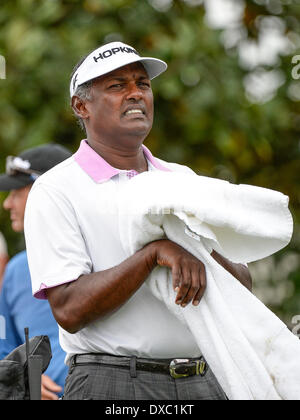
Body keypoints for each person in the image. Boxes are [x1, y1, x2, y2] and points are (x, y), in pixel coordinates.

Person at [24, 42, 252, 400]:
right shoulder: (56, 188)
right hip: (112, 382)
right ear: (81, 105)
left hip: (204, 380)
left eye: (142, 84)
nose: (135, 94)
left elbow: (242, 286)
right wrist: (154, 253)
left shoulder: (182, 180)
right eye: (117, 86)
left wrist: (192, 248)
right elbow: (68, 308)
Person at [0, 144, 71, 400]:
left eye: (16, 192)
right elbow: (2, 343)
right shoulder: (16, 270)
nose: (8, 203)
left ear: (47, 191)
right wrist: (19, 374)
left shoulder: (105, 255)